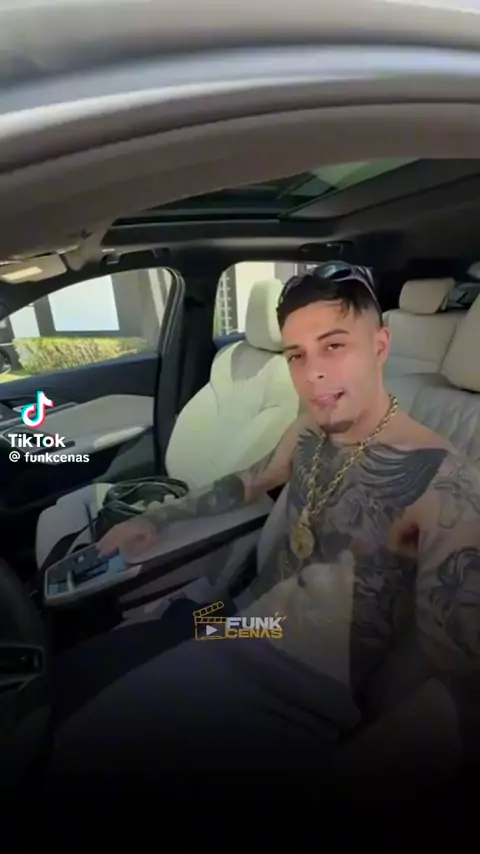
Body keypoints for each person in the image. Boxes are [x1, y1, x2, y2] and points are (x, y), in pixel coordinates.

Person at [47, 262, 480, 802]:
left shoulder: (445, 484)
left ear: (380, 344)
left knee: (81, 759)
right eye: (297, 355)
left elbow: (458, 687)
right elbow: (251, 481)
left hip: (296, 688)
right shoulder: (312, 425)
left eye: (334, 346)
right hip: (235, 619)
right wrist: (152, 519)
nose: (313, 374)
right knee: (71, 679)